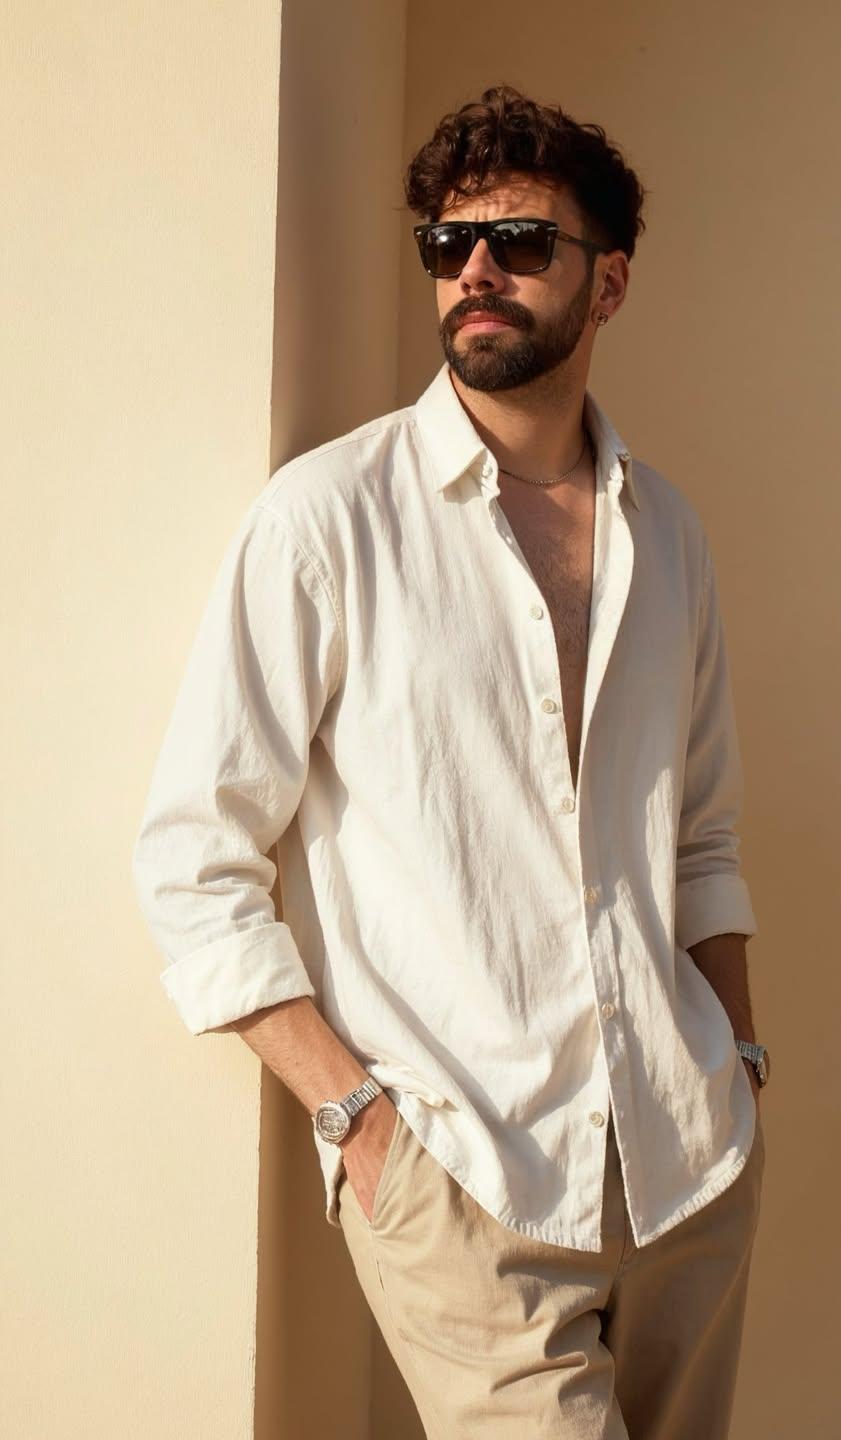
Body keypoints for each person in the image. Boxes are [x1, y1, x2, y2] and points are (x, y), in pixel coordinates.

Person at [132, 83, 771, 1440]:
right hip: (465, 1177)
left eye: (520, 242)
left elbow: (702, 835)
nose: (474, 269)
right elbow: (194, 860)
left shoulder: (670, 538)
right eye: (448, 244)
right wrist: (357, 1121)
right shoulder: (327, 521)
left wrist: (740, 1061)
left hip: (684, 1162)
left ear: (607, 284)